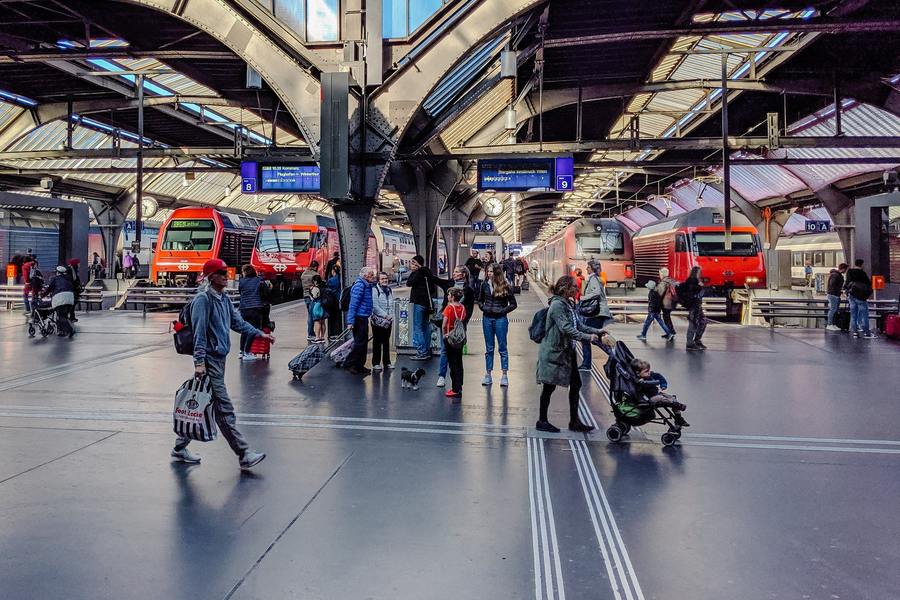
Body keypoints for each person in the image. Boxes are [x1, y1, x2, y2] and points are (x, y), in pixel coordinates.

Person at [171, 258, 273, 469]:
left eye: (227, 272)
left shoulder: (223, 299)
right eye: (222, 273)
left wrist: (260, 335)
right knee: (223, 408)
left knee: (200, 403)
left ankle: (180, 448)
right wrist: (199, 362)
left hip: (219, 359)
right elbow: (199, 333)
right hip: (208, 361)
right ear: (211, 277)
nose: (227, 276)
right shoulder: (203, 300)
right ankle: (243, 453)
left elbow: (237, 323)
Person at [535, 275, 605, 433]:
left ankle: (574, 421)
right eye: (574, 287)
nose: (577, 289)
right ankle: (542, 421)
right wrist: (588, 338)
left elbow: (578, 325)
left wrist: (597, 332)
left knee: (576, 384)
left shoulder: (568, 303)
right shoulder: (557, 306)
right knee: (549, 386)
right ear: (565, 289)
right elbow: (566, 328)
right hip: (554, 352)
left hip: (567, 351)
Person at [477, 265, 517, 387]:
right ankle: (488, 374)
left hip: (500, 319)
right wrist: (483, 308)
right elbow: (479, 300)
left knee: (502, 347)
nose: (489, 274)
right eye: (488, 271)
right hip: (487, 318)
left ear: (497, 273)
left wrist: (502, 311)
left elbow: (513, 304)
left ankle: (504, 375)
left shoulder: (505, 286)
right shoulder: (484, 285)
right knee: (489, 348)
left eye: (491, 272)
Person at [436, 266, 476, 387]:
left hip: (458, 327)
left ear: (464, 274)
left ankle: (457, 382)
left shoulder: (468, 290)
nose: (454, 273)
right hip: (447, 324)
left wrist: (463, 322)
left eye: (457, 272)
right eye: (453, 271)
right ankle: (442, 376)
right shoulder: (449, 284)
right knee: (444, 351)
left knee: (456, 354)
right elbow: (435, 280)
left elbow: (469, 309)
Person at [406, 254, 450, 360]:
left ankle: (422, 351)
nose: (411, 266)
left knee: (418, 328)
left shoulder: (418, 273)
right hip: (427, 304)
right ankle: (427, 350)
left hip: (419, 303)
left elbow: (409, 283)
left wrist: (415, 271)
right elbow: (432, 289)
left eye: (412, 263)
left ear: (416, 264)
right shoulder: (427, 274)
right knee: (425, 327)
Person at [631, 358, 689, 427]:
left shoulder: (651, 374)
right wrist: (642, 383)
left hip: (656, 393)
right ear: (638, 373)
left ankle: (678, 418)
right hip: (649, 398)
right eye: (646, 372)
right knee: (661, 398)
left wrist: (663, 385)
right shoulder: (639, 380)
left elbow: (659, 377)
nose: (649, 373)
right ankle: (676, 404)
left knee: (672, 397)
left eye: (649, 370)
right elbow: (640, 388)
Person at [578, 259, 613, 370]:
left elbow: (596, 292)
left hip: (596, 313)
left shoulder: (593, 278)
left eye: (588, 267)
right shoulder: (596, 278)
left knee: (590, 338)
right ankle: (613, 353)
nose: (586, 269)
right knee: (593, 337)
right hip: (598, 312)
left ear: (592, 268)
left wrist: (582, 298)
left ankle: (613, 354)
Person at [345, 266, 377, 375]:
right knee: (359, 343)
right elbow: (353, 305)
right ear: (365, 276)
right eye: (371, 274)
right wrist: (350, 322)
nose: (373, 276)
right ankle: (350, 363)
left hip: (363, 317)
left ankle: (359, 365)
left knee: (362, 343)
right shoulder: (360, 286)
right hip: (359, 318)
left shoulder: (366, 285)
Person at [238, 265, 270, 360]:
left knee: (244, 330)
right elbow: (266, 293)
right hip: (255, 308)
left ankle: (241, 351)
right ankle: (247, 352)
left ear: (245, 272)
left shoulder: (242, 281)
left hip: (244, 308)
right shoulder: (259, 280)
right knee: (252, 330)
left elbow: (241, 292)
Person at [442, 287, 467, 399]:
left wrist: (445, 334)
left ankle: (455, 389)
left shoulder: (449, 308)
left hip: (450, 338)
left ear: (452, 297)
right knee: (459, 362)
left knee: (452, 363)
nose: (448, 296)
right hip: (459, 338)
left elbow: (444, 324)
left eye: (449, 295)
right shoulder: (462, 308)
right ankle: (460, 386)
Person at [844, 259, 876, 339]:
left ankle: (855, 332)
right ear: (861, 265)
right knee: (864, 315)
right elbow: (868, 284)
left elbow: (847, 283)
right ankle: (866, 333)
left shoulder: (850, 272)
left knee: (853, 315)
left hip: (851, 296)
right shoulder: (862, 273)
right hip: (861, 297)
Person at [371, 272, 395, 371]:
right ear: (378, 280)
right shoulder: (375, 290)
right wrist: (385, 315)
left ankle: (387, 362)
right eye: (382, 279)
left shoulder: (389, 290)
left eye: (386, 278)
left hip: (388, 320)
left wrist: (391, 316)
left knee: (386, 341)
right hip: (378, 321)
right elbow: (375, 306)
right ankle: (376, 363)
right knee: (377, 341)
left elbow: (392, 303)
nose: (385, 280)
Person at [43, 265, 76, 337]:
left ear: (58, 272)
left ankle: (70, 330)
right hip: (70, 298)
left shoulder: (55, 279)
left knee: (61, 316)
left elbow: (49, 289)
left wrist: (42, 295)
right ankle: (61, 331)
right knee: (64, 316)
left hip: (60, 298)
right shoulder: (68, 278)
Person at [680, 266, 707, 351]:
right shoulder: (691, 281)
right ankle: (690, 343)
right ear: (696, 272)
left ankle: (696, 340)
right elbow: (692, 292)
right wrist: (700, 286)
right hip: (694, 306)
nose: (701, 273)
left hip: (697, 305)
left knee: (702, 322)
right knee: (693, 324)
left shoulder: (696, 281)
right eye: (699, 272)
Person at [825, 263, 848, 332]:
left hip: (834, 294)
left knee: (834, 310)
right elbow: (833, 285)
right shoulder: (836, 275)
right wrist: (840, 290)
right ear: (843, 269)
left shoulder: (835, 274)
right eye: (845, 269)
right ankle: (829, 324)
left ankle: (833, 324)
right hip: (833, 294)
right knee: (833, 309)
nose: (846, 271)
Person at [300, 261, 320, 342]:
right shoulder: (315, 275)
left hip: (306, 296)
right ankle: (311, 334)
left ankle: (311, 333)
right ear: (315, 267)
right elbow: (318, 285)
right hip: (313, 297)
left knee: (310, 314)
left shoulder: (303, 274)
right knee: (312, 315)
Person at [658, 267, 677, 337]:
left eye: (659, 274)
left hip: (665, 303)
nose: (659, 275)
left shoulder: (663, 282)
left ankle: (670, 332)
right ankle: (671, 331)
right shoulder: (671, 281)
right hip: (672, 302)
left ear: (662, 274)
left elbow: (660, 293)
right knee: (667, 317)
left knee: (666, 318)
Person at [324, 271, 343, 340]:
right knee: (339, 317)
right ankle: (339, 333)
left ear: (333, 271)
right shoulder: (341, 279)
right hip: (339, 300)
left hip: (331, 301)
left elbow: (328, 290)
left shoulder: (331, 280)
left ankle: (332, 334)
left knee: (331, 318)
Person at [310, 275, 328, 343]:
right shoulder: (325, 286)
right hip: (324, 305)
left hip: (317, 306)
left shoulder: (315, 288)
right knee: (323, 322)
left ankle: (317, 338)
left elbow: (314, 297)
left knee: (317, 322)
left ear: (315, 281)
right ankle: (322, 337)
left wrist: (311, 292)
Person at [65, 258, 82, 323]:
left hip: (74, 290)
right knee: (72, 304)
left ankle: (72, 316)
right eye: (78, 263)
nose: (79, 265)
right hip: (72, 290)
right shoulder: (71, 271)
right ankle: (71, 316)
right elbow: (73, 281)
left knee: (73, 304)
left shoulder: (74, 270)